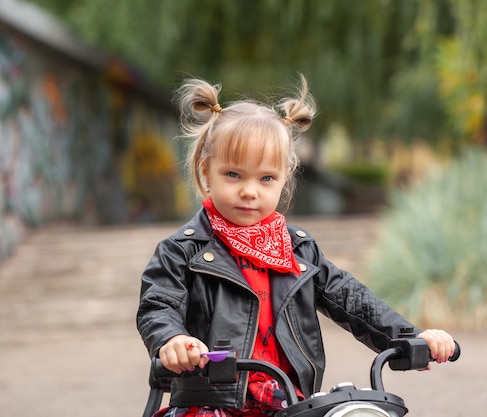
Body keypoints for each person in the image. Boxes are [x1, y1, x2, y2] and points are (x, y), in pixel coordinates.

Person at [136, 75, 455, 417]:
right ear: (206, 171)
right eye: (233, 175)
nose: (249, 191)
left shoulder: (298, 250)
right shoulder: (182, 251)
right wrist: (173, 340)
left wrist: (412, 336)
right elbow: (158, 306)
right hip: (213, 400)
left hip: (287, 401)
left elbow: (354, 301)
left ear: (284, 179)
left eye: (266, 178)